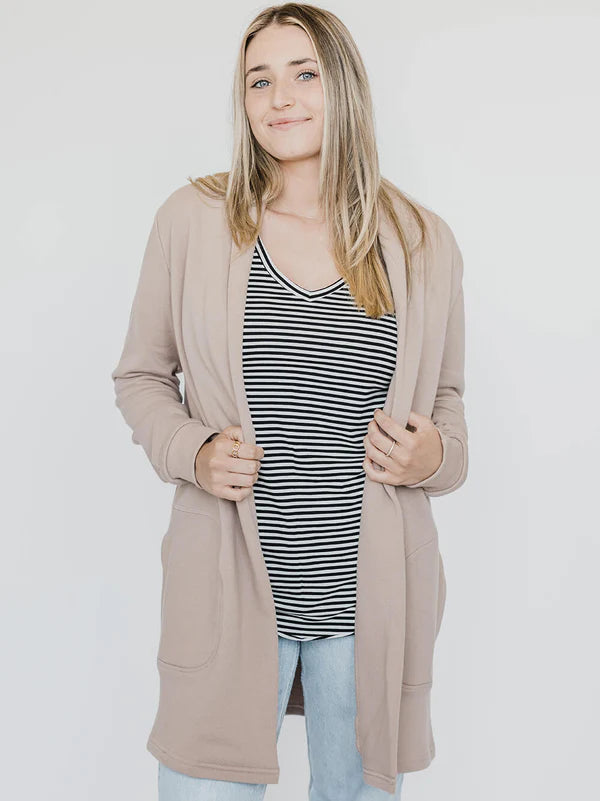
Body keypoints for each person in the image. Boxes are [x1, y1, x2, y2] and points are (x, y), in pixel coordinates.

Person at [111, 4, 468, 800]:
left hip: (368, 602)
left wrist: (434, 454)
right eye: (259, 80)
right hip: (230, 593)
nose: (281, 98)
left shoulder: (420, 240)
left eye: (304, 73)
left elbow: (447, 406)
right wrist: (192, 451)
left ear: (343, 85)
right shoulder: (193, 220)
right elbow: (139, 377)